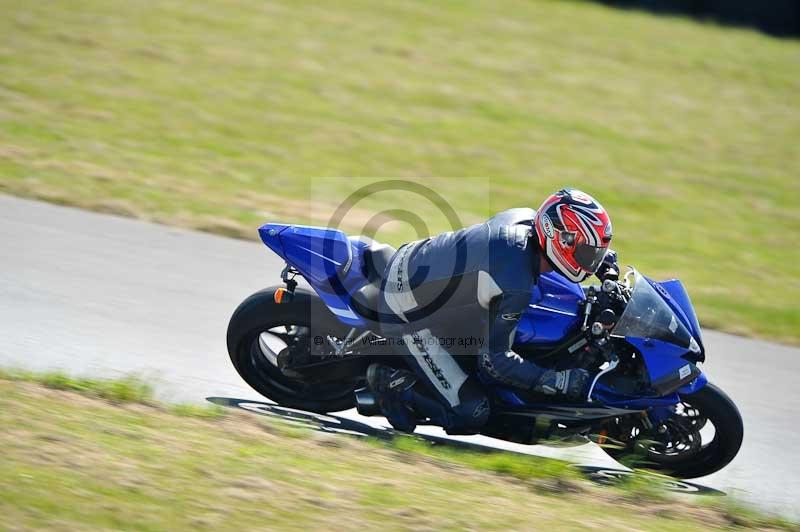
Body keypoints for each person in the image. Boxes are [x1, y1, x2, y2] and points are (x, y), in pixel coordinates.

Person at [368, 188, 617, 434]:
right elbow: (495, 362)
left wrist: (604, 269)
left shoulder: (526, 219)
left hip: (417, 263)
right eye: (587, 252)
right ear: (559, 238)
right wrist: (557, 381)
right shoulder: (515, 279)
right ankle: (391, 383)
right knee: (471, 411)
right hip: (404, 307)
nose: (591, 260)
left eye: (595, 253)